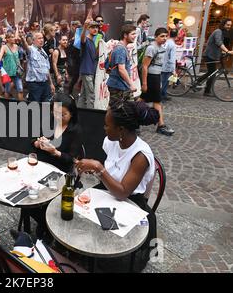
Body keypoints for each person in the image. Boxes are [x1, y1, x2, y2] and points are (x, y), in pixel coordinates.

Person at [74, 99, 160, 272]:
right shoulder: (112, 141)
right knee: (74, 210)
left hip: (130, 202)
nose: (104, 128)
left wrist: (99, 168)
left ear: (121, 129)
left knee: (110, 257)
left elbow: (123, 193)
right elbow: (112, 169)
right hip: (108, 193)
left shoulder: (140, 155)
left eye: (107, 125)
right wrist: (99, 171)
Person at [33, 93, 83, 173]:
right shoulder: (48, 120)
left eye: (63, 115)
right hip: (41, 164)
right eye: (55, 113)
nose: (58, 117)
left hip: (60, 169)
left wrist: (55, 152)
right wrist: (38, 143)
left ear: (72, 114)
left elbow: (71, 159)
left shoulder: (75, 131)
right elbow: (33, 139)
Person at [141, 28, 175, 136]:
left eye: (166, 36)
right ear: (156, 36)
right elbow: (145, 66)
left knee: (142, 99)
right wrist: (145, 83)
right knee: (157, 101)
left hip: (156, 76)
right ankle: (161, 125)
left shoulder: (161, 47)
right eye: (162, 36)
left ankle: (129, 116)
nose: (164, 38)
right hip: (151, 77)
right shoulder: (152, 48)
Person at [198, 18, 233, 96]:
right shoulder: (218, 31)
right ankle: (206, 91)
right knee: (212, 73)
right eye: (227, 25)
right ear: (223, 24)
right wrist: (227, 51)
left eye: (230, 25)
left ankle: (199, 82)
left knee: (211, 72)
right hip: (209, 55)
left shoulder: (222, 32)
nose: (229, 27)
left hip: (213, 55)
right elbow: (218, 42)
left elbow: (218, 45)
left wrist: (223, 52)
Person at [106, 24, 138, 104]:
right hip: (118, 85)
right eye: (133, 34)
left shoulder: (122, 47)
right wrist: (131, 84)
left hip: (120, 85)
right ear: (125, 35)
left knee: (114, 109)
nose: (135, 36)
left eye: (135, 34)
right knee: (118, 110)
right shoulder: (121, 49)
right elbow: (121, 69)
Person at [20, 32, 55, 102]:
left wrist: (51, 84)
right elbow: (26, 47)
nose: (41, 40)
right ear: (33, 41)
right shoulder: (31, 49)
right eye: (39, 38)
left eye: (42, 38)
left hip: (45, 83)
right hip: (34, 84)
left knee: (46, 104)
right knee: (35, 106)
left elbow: (47, 69)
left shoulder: (44, 52)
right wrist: (23, 39)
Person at [77, 20, 99, 109]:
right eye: (93, 27)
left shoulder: (93, 42)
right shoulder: (86, 39)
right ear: (88, 29)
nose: (95, 29)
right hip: (87, 71)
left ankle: (79, 113)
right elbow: (82, 39)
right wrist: (85, 27)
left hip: (89, 71)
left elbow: (94, 57)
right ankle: (90, 116)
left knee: (83, 95)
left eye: (97, 27)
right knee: (91, 95)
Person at [0, 31, 23, 100]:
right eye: (12, 37)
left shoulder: (16, 46)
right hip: (7, 72)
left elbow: (18, 58)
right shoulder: (4, 47)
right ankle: (6, 105)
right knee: (7, 90)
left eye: (14, 37)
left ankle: (22, 107)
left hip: (16, 71)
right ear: (7, 39)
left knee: (20, 89)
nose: (14, 38)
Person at [161, 29, 178, 101]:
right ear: (176, 36)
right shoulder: (173, 45)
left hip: (161, 64)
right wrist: (173, 70)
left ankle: (163, 94)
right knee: (165, 82)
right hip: (167, 66)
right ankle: (162, 96)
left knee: (162, 82)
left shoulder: (166, 42)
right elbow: (172, 58)